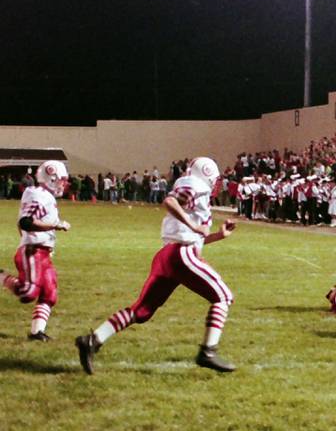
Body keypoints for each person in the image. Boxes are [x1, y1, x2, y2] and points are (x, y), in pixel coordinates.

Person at [75, 157, 239, 374]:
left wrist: (219, 235)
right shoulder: (195, 184)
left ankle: (93, 340)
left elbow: (194, 235)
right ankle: (208, 352)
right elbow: (170, 202)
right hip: (182, 254)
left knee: (141, 310)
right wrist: (192, 225)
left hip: (168, 255)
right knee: (223, 297)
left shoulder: (198, 193)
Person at [0, 161, 71, 341]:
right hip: (33, 251)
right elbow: (26, 221)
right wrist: (55, 225)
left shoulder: (45, 196)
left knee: (50, 293)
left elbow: (23, 224)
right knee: (27, 293)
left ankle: (36, 332)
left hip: (43, 252)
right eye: (62, 180)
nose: (64, 184)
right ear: (52, 177)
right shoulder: (38, 194)